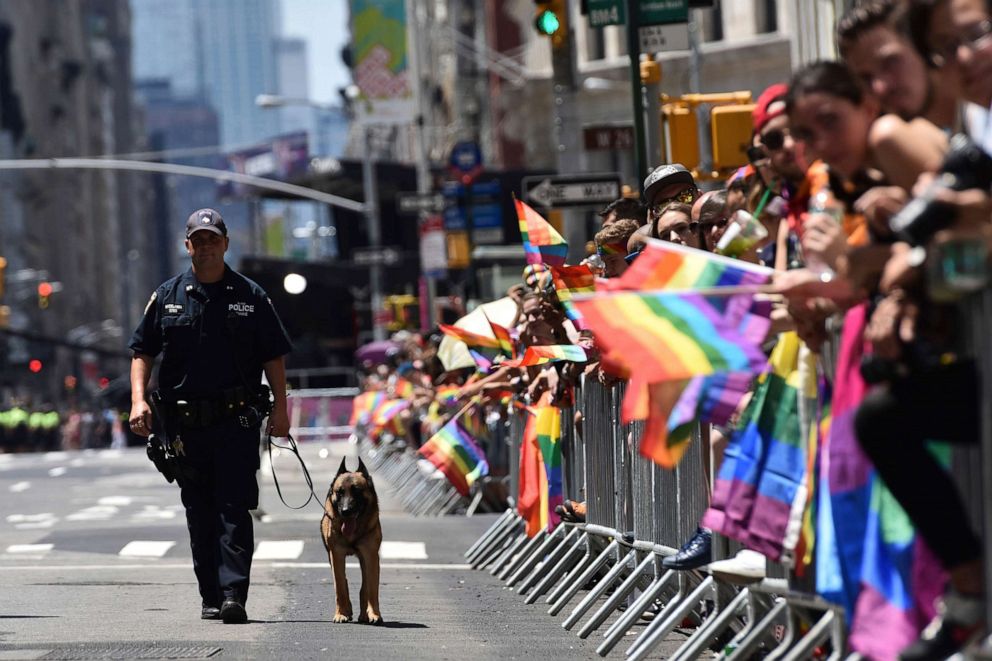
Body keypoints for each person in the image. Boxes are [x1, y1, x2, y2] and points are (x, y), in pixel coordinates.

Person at [128, 208, 292, 624]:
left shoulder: (250, 295)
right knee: (198, 511)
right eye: (197, 240)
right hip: (183, 428)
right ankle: (211, 595)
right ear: (187, 246)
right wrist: (138, 401)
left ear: (225, 244)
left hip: (235, 422)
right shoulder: (167, 296)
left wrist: (282, 410)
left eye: (212, 239)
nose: (205, 246)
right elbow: (142, 352)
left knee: (234, 507)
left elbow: (274, 356)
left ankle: (235, 592)